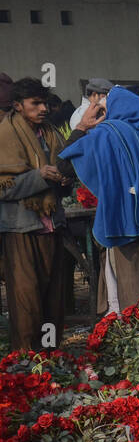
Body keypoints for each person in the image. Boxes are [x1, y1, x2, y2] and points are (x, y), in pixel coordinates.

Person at [59, 86, 139, 314]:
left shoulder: (110, 135)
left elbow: (64, 165)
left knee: (138, 295)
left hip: (128, 230)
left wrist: (82, 127)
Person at [0, 77, 73, 350]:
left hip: (51, 224)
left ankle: (51, 353)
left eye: (44, 102)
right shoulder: (5, 135)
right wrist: (39, 176)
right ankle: (27, 359)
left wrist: (65, 180)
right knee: (26, 298)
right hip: (20, 229)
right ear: (18, 105)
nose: (43, 108)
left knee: (53, 298)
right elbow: (4, 188)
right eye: (36, 103)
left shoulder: (51, 133)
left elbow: (67, 168)